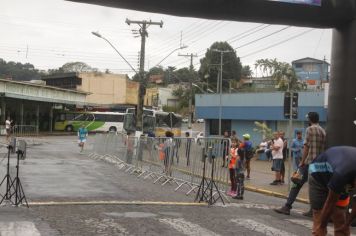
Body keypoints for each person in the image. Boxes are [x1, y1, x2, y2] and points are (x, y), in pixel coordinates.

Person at [275, 111, 326, 216]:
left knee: (296, 183)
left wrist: (302, 162)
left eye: (308, 118)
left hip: (309, 162)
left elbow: (306, 147)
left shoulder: (309, 129)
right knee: (316, 187)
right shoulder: (322, 130)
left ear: (310, 119)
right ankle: (313, 209)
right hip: (320, 163)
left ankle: (287, 206)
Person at [308, 146, 356, 236]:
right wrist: (322, 226)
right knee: (319, 219)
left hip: (339, 171)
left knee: (341, 218)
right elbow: (331, 202)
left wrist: (346, 225)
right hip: (318, 174)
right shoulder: (342, 174)